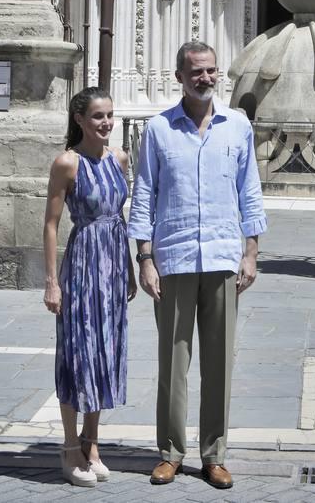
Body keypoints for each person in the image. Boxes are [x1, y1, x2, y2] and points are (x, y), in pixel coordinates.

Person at [128, 41, 266, 490]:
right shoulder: (158, 129)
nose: (205, 78)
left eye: (211, 71)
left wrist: (251, 251)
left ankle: (215, 454)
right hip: (174, 256)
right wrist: (145, 258)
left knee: (219, 362)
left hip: (224, 257)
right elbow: (144, 193)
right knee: (173, 361)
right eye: (196, 72)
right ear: (178, 76)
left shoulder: (237, 126)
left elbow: (250, 191)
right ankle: (169, 452)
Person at [43, 87, 136, 488]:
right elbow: (50, 224)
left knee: (106, 351)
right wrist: (51, 282)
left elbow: (121, 218)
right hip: (81, 265)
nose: (106, 123)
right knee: (77, 353)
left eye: (110, 115)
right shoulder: (67, 163)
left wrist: (131, 268)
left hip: (114, 265)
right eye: (98, 116)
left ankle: (92, 443)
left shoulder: (119, 159)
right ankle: (68, 446)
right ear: (80, 119)